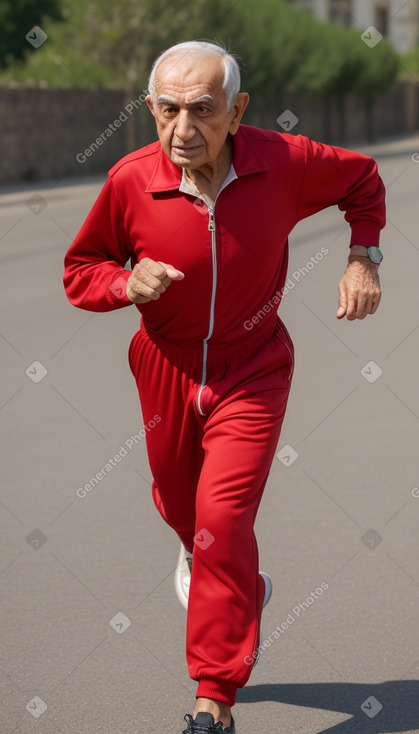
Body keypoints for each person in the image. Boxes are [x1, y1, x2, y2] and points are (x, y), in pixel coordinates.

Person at [63, 40, 385, 734]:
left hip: (253, 367)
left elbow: (362, 181)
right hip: (165, 368)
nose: (184, 129)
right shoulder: (128, 181)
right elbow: (80, 270)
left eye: (203, 111)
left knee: (221, 522)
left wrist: (362, 258)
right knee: (186, 515)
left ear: (236, 111)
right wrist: (124, 281)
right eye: (168, 110)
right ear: (150, 109)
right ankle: (232, 579)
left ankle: (214, 700)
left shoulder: (286, 162)